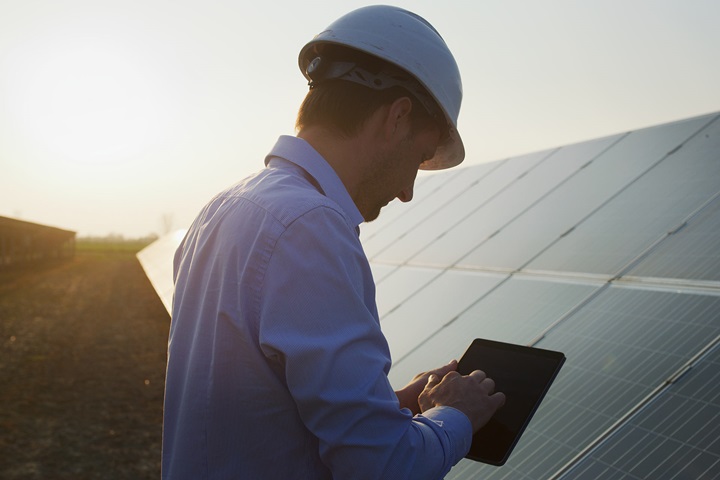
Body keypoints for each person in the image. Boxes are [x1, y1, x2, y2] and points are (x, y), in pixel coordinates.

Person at [162, 5, 505, 479]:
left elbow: (260, 406)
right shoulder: (308, 228)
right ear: (398, 116)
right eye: (420, 156)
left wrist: (396, 406)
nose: (407, 192)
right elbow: (386, 467)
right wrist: (457, 415)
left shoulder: (223, 209)